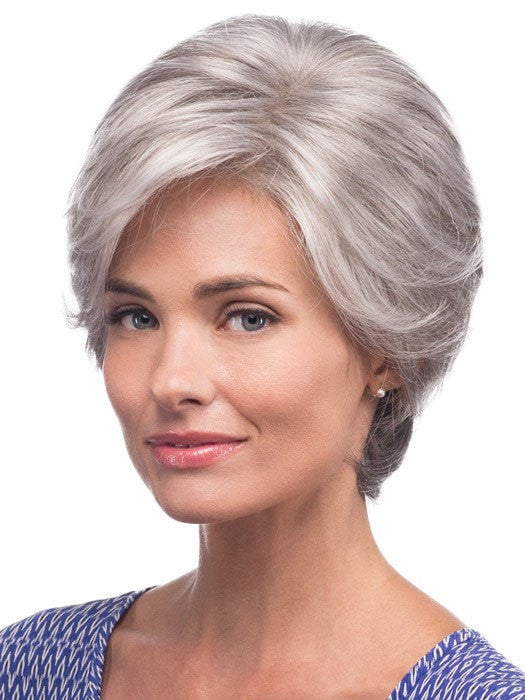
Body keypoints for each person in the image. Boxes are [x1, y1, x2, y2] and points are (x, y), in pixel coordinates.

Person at [1, 12, 524, 700]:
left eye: (248, 317)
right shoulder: (30, 667)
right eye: (137, 317)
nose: (171, 380)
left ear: (388, 345)